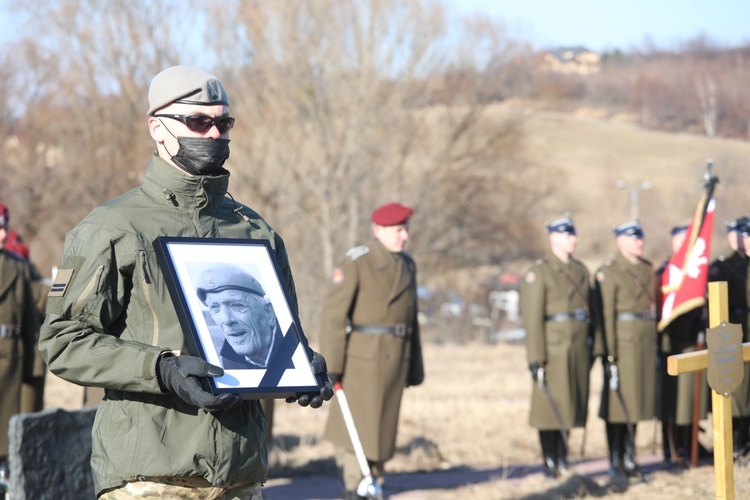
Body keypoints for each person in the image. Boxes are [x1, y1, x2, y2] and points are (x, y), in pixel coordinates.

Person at [38, 65, 332, 499]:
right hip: (150, 477)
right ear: (158, 128)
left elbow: (278, 336)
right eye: (198, 121)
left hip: (241, 475)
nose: (214, 134)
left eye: (223, 123)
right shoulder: (111, 227)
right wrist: (160, 368)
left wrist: (301, 366)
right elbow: (63, 341)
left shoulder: (255, 232)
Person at [320, 202, 424, 499]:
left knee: (383, 427)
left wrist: (415, 366)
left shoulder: (407, 264)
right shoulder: (357, 262)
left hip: (396, 358)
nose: (404, 236)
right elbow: (334, 316)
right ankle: (355, 487)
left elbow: (411, 320)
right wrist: (333, 366)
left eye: (406, 230)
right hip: (361, 362)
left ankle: (374, 483)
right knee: (359, 427)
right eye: (398, 230)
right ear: (378, 230)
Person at [520, 215, 594, 479]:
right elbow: (532, 318)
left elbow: (590, 311)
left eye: (573, 234)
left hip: (576, 348)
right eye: (566, 235)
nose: (572, 239)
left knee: (570, 404)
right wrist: (536, 357)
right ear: (553, 238)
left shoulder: (581, 270)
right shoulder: (540, 272)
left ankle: (563, 456)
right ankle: (550, 459)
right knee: (548, 407)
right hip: (552, 348)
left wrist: (592, 346)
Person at [594, 220, 657, 479]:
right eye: (633, 238)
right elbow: (605, 315)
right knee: (617, 405)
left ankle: (631, 456)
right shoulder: (609, 272)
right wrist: (607, 352)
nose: (639, 242)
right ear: (620, 241)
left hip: (644, 345)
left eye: (640, 237)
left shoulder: (647, 269)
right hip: (621, 344)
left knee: (637, 402)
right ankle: (615, 458)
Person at [656, 223, 707, 469]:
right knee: (672, 401)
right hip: (672, 344)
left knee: (690, 399)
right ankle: (671, 449)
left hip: (693, 343)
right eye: (682, 241)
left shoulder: (697, 271)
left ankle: (689, 445)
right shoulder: (666, 272)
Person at [0, 204, 43, 478]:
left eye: (4, 227)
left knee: (9, 448)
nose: (2, 234)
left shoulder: (19, 268)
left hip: (11, 368)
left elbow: (33, 320)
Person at [709, 215, 750, 460]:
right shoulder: (722, 265)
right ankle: (733, 444)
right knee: (734, 390)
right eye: (744, 235)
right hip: (732, 329)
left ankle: (745, 441)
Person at [196, 263, 283, 369]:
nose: (226, 320)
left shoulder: (294, 349)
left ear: (269, 312)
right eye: (215, 308)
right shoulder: (230, 359)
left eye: (237, 305)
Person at [4, 227, 52, 414]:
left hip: (29, 358)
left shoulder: (29, 278)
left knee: (27, 416)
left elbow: (46, 300)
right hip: (18, 356)